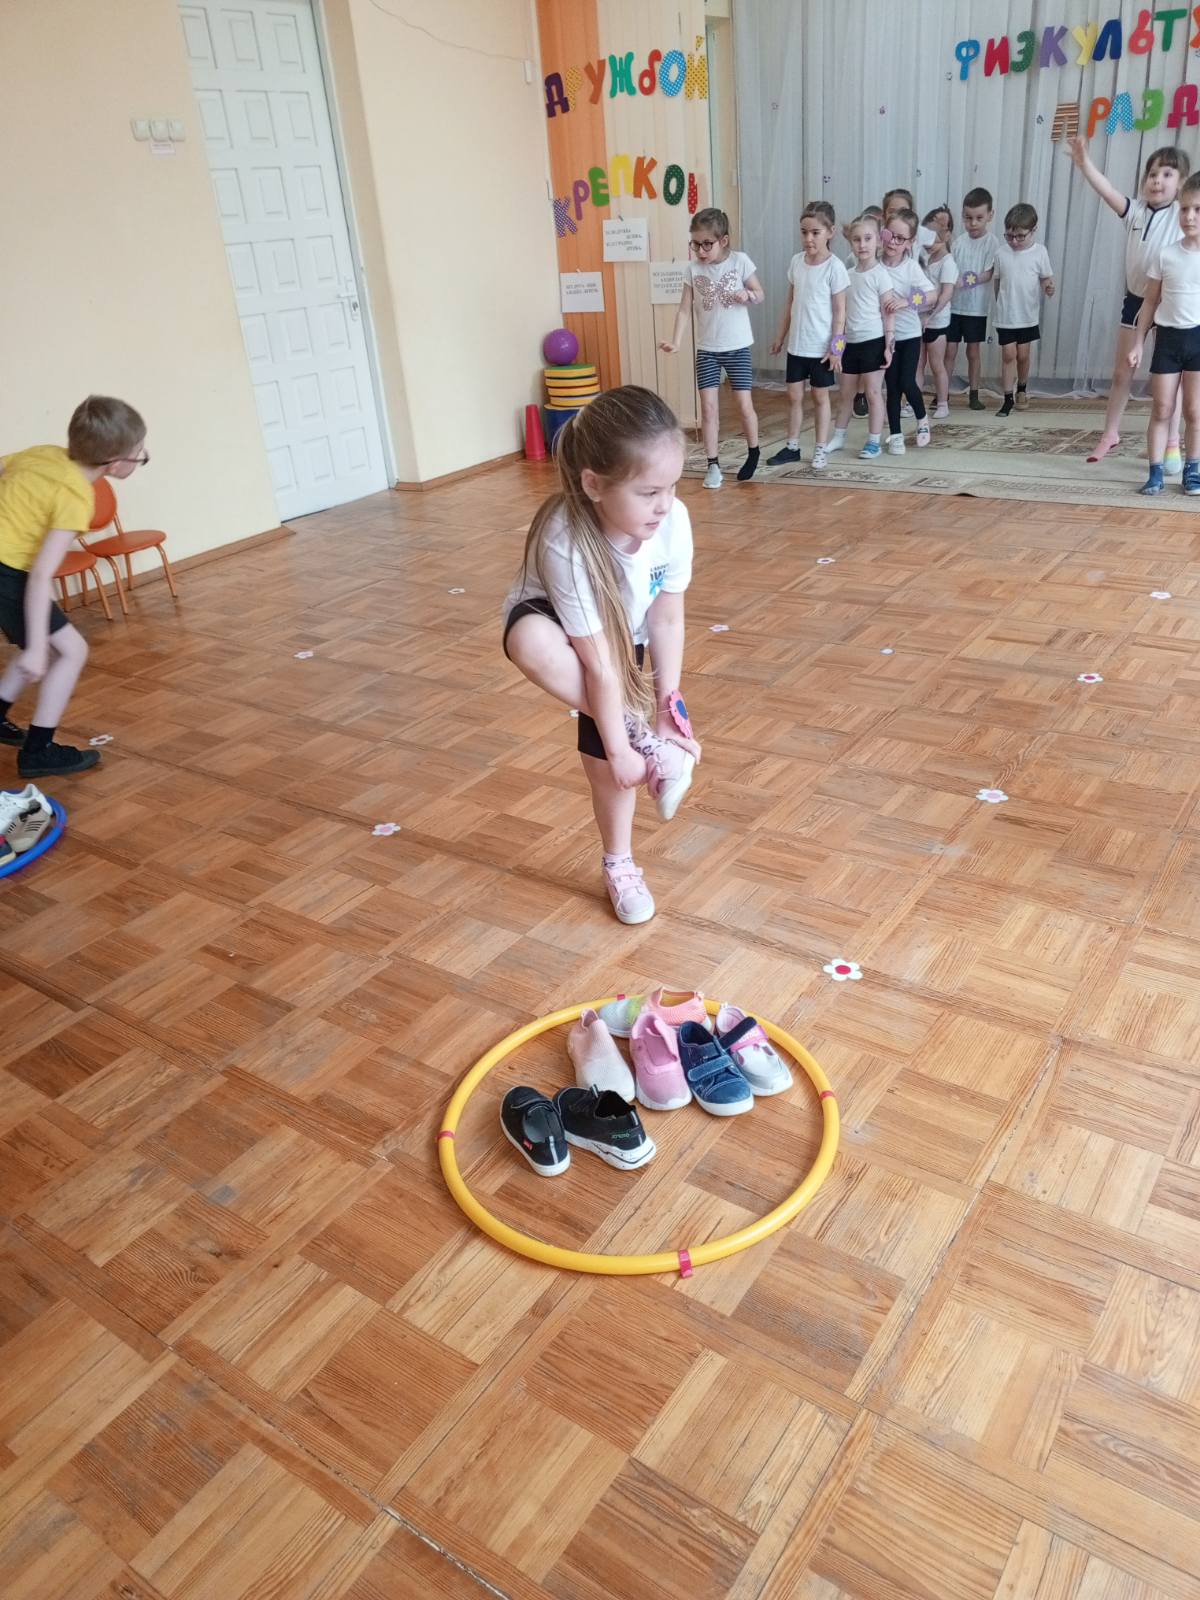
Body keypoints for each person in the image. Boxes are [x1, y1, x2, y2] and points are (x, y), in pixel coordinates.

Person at [503, 387, 701, 925]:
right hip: (563, 631)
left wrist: (669, 710)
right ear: (594, 484)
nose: (664, 504)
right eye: (649, 492)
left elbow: (666, 619)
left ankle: (620, 860)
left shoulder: (673, 522)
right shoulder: (565, 538)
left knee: (605, 761)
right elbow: (598, 665)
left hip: (622, 634)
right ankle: (622, 846)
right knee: (608, 750)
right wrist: (624, 744)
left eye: (672, 487)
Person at [0, 395, 147, 778]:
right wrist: (36, 647)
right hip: (7, 572)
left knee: (51, 647)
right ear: (114, 462)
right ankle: (38, 752)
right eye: (138, 453)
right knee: (70, 651)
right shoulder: (75, 497)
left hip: (8, 569)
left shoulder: (44, 454)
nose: (140, 457)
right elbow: (39, 576)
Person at [1069, 137, 1188, 467]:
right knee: (1123, 371)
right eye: (1152, 174)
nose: (1157, 180)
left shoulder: (1181, 216)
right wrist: (1084, 163)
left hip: (1171, 305)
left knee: (1170, 380)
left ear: (1181, 184)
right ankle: (1110, 433)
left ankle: (1173, 441)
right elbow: (1107, 190)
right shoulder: (1134, 211)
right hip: (1136, 301)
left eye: (1167, 174)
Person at [660, 206, 763, 488]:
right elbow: (684, 309)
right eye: (695, 244)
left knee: (744, 404)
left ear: (723, 240)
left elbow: (760, 293)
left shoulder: (740, 262)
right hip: (707, 350)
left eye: (707, 244)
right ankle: (713, 464)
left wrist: (747, 295)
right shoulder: (692, 269)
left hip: (737, 347)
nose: (701, 251)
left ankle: (754, 451)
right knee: (708, 408)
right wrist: (676, 341)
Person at [1128, 172, 1200, 496]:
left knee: (1195, 411)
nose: (1189, 216)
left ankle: (1193, 470)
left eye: (1197, 209)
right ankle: (1155, 472)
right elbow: (1150, 302)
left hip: (1198, 340)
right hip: (1168, 341)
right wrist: (1138, 343)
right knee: (1162, 408)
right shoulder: (1166, 255)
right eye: (1184, 209)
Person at [767, 203, 849, 471]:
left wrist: (836, 348)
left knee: (820, 398)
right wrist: (780, 336)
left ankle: (820, 448)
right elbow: (790, 303)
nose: (808, 239)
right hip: (797, 347)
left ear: (830, 232)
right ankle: (792, 447)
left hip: (821, 349)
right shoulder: (796, 262)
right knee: (794, 396)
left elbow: (840, 312)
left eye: (815, 233)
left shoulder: (835, 268)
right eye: (804, 232)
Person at [828, 214, 897, 460]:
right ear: (851, 243)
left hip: (873, 342)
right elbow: (840, 313)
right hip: (850, 343)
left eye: (868, 239)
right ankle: (838, 436)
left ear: (878, 240)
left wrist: (889, 345)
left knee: (873, 393)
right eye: (857, 240)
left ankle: (874, 441)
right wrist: (837, 347)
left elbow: (888, 314)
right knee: (846, 394)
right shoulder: (846, 274)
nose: (862, 245)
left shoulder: (881, 275)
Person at [880, 209, 935, 452]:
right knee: (891, 387)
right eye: (889, 234)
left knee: (906, 381)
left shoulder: (911, 267)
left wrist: (906, 301)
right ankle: (895, 435)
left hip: (909, 335)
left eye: (900, 238)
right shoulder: (875, 265)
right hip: (884, 337)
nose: (893, 241)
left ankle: (922, 419)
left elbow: (931, 295)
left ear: (910, 242)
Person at [993, 203, 1055, 417]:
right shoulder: (1001, 253)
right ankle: (1007, 398)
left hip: (1027, 315)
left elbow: (1045, 278)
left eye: (1020, 236)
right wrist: (999, 304)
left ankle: (1022, 388)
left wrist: (1048, 287)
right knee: (1008, 354)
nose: (1014, 241)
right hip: (1006, 316)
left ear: (1033, 230)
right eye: (1009, 236)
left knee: (1023, 355)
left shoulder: (1040, 252)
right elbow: (997, 282)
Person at [945, 188, 997, 411]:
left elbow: (989, 273)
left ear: (990, 216)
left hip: (976, 309)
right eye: (968, 218)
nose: (973, 223)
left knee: (973, 352)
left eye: (979, 218)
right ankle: (943, 393)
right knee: (949, 351)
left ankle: (974, 394)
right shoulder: (958, 243)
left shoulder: (992, 243)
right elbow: (950, 267)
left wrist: (966, 281)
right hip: (954, 307)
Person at [921, 209, 959, 419]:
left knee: (937, 365)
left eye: (933, 238)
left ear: (945, 236)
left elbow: (946, 294)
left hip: (937, 323)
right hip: (919, 322)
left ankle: (943, 403)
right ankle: (912, 403)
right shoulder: (924, 259)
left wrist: (931, 314)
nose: (928, 244)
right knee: (917, 365)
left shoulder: (948, 263)